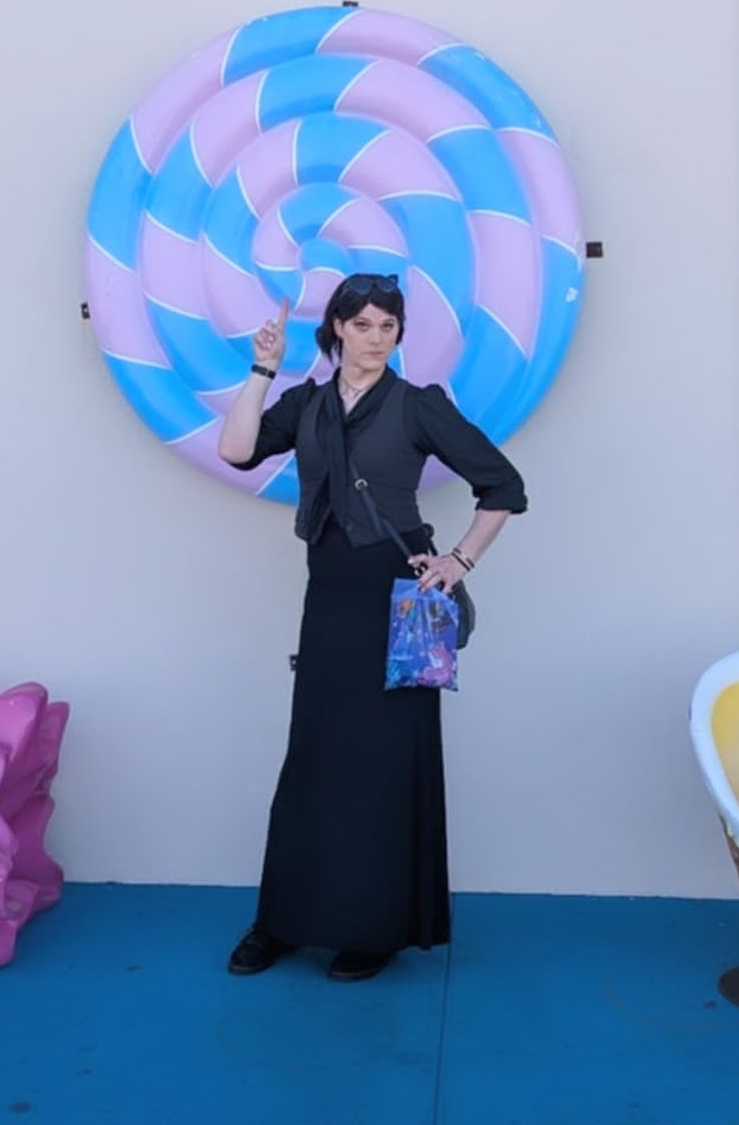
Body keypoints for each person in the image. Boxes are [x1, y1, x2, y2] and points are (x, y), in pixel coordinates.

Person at [216, 271, 527, 982]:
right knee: (316, 757)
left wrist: (459, 560)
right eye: (363, 325)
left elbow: (503, 486)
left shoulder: (420, 407)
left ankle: (374, 927)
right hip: (329, 593)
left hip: (401, 597)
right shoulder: (307, 404)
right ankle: (284, 921)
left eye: (388, 326)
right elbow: (236, 450)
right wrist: (263, 367)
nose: (376, 337)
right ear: (337, 330)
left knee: (387, 765)